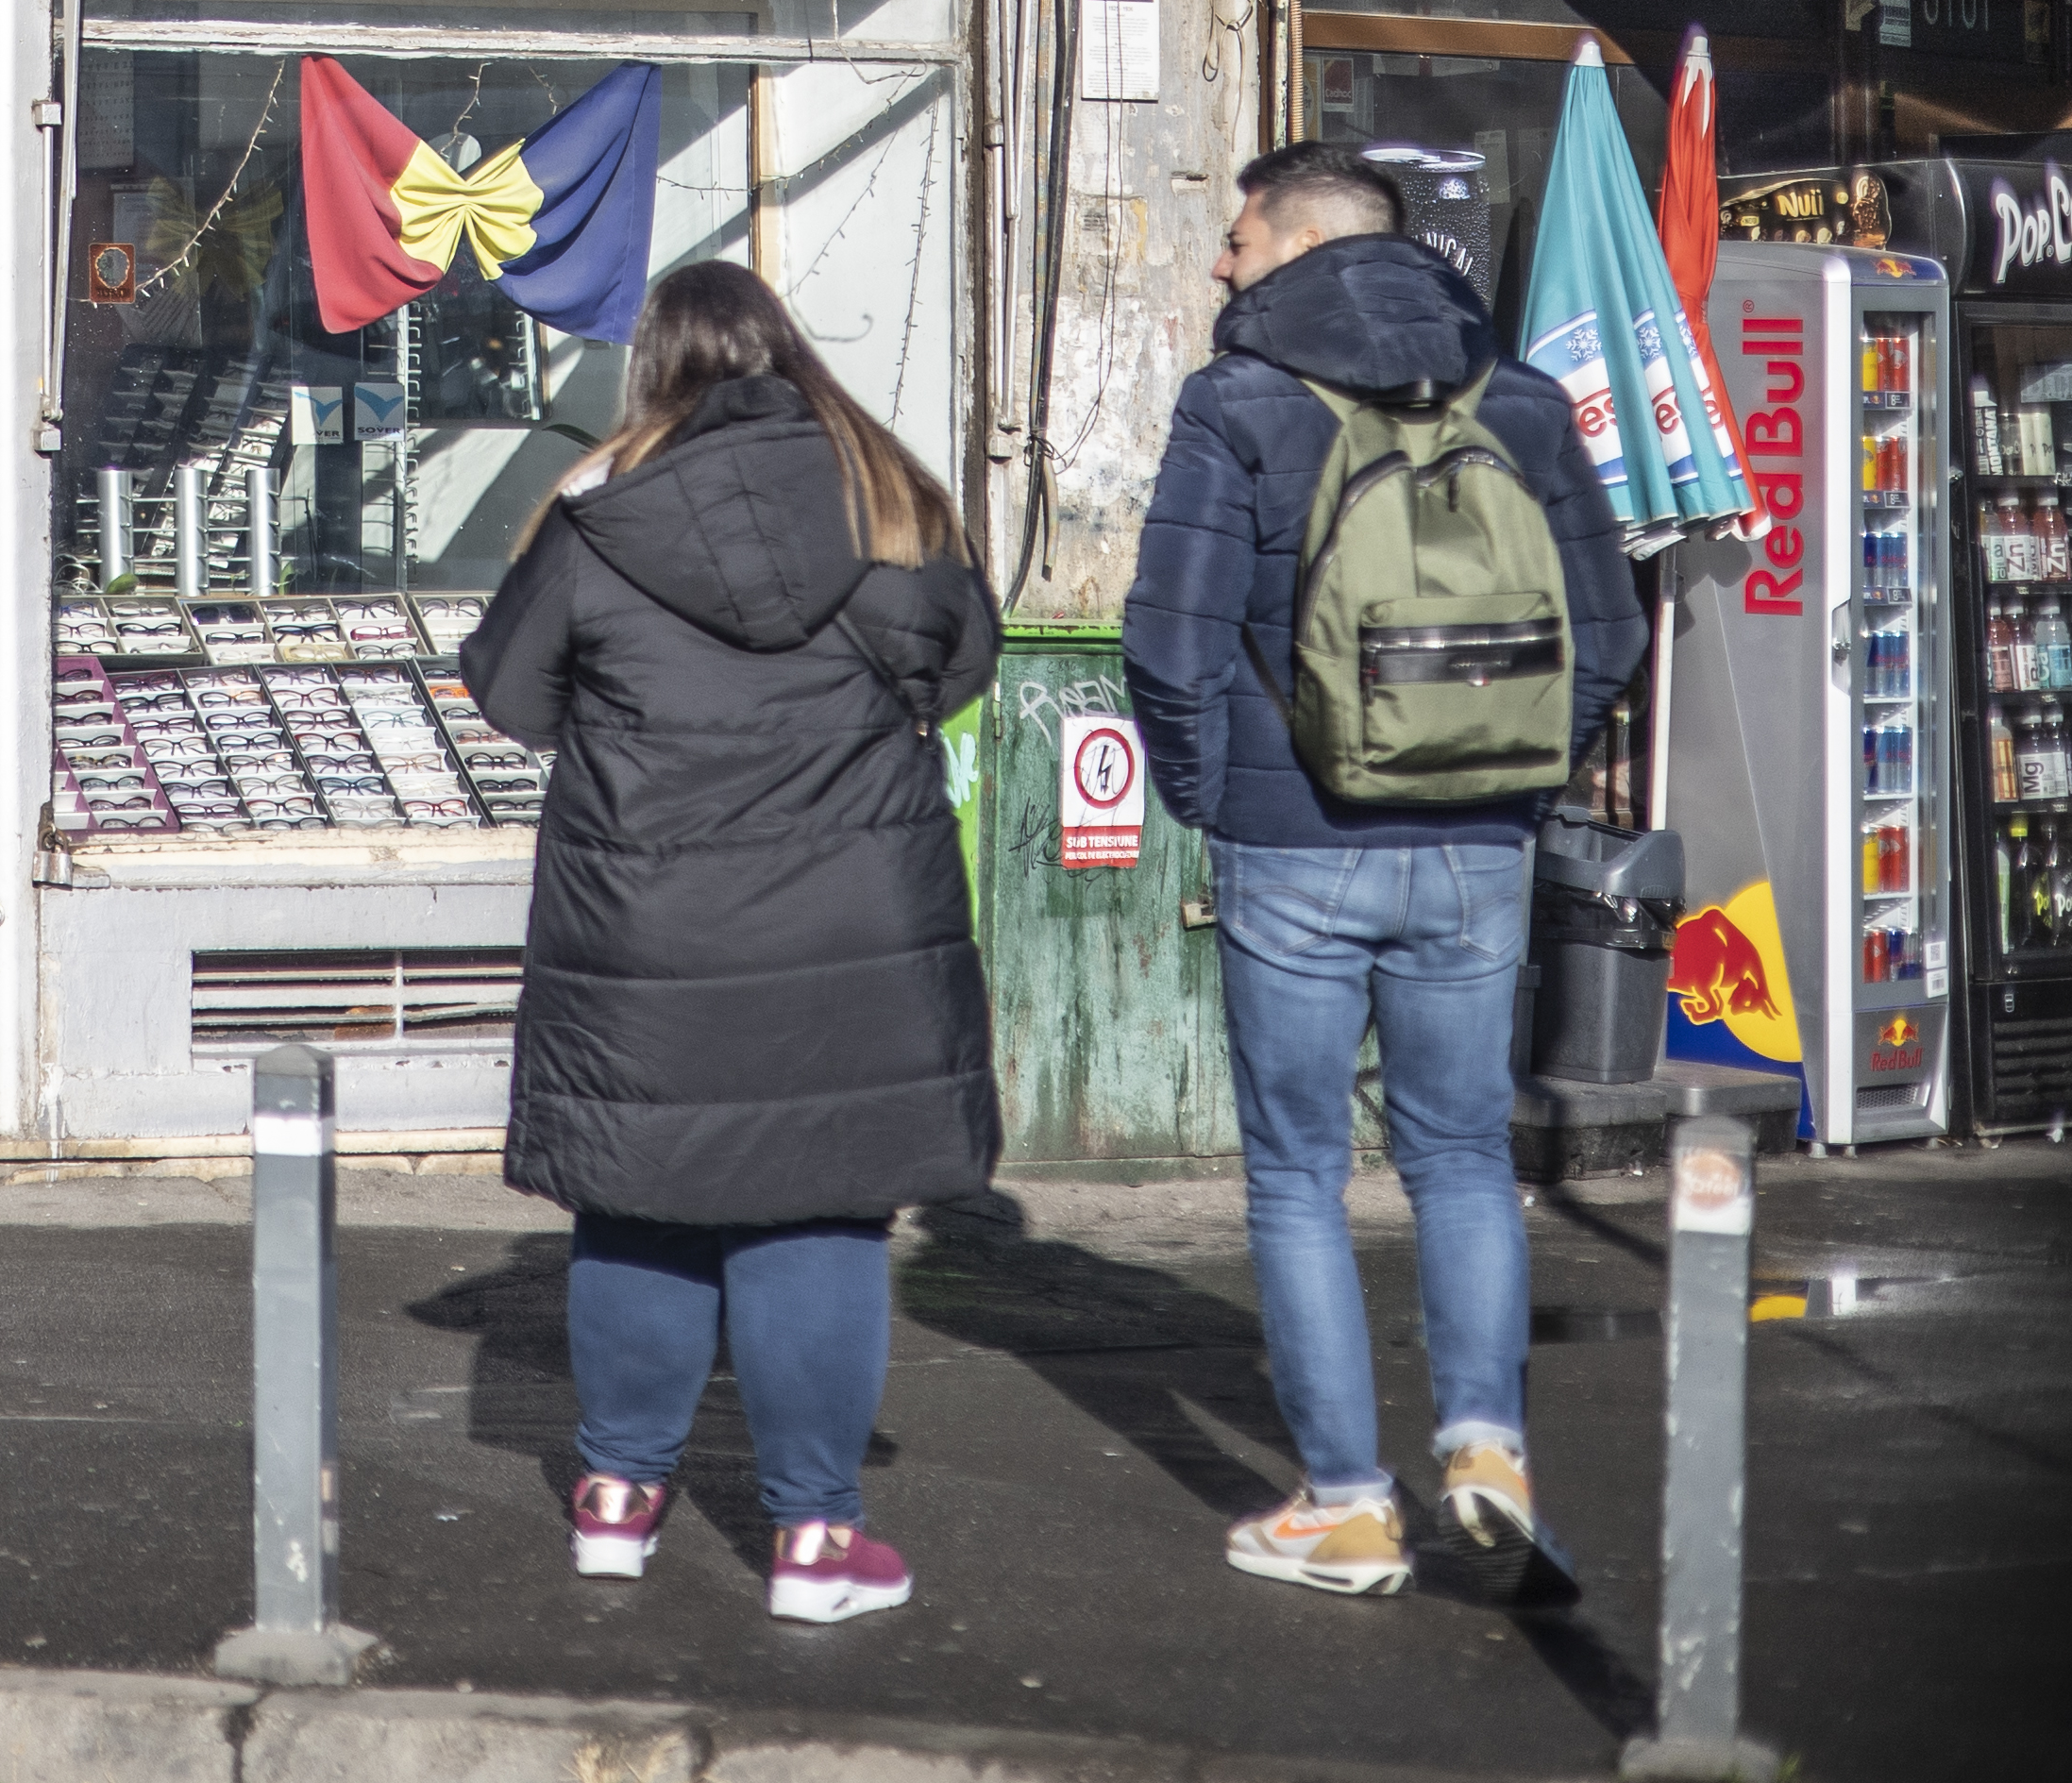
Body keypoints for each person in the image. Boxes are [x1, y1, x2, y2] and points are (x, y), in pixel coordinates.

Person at [1125, 142, 1644, 1598]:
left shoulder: (1234, 404)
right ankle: (1486, 1446)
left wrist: (1214, 799)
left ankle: (1350, 1506)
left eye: (1235, 239)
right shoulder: (1527, 403)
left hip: (1292, 844)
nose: (1221, 265)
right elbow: (1609, 634)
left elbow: (1168, 641)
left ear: (1294, 241)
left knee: (1298, 1180)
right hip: (1480, 848)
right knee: (1465, 1160)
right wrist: (1516, 784)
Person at [461, 261, 1001, 1625]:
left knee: (640, 1196)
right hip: (853, 919)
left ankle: (616, 1501)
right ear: (791, 355)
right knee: (820, 1207)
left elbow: (511, 696)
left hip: (647, 922)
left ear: (654, 369)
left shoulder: (598, 515)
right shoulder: (893, 503)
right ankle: (815, 1542)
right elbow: (961, 667)